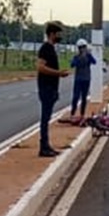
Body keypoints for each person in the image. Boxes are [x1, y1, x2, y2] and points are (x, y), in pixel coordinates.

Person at [36, 21, 69, 157]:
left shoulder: (51, 49)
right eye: (58, 34)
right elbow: (40, 67)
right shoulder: (45, 48)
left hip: (51, 88)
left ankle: (46, 145)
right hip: (46, 88)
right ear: (51, 34)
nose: (59, 37)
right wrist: (58, 73)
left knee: (47, 118)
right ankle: (43, 147)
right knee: (45, 118)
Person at [69, 38, 96, 121]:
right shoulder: (76, 57)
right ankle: (72, 113)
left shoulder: (88, 56)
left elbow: (94, 62)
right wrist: (80, 58)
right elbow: (72, 65)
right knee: (75, 97)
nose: (82, 49)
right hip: (78, 80)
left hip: (86, 79)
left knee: (84, 98)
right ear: (78, 48)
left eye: (84, 47)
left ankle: (82, 114)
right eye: (81, 47)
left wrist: (88, 55)